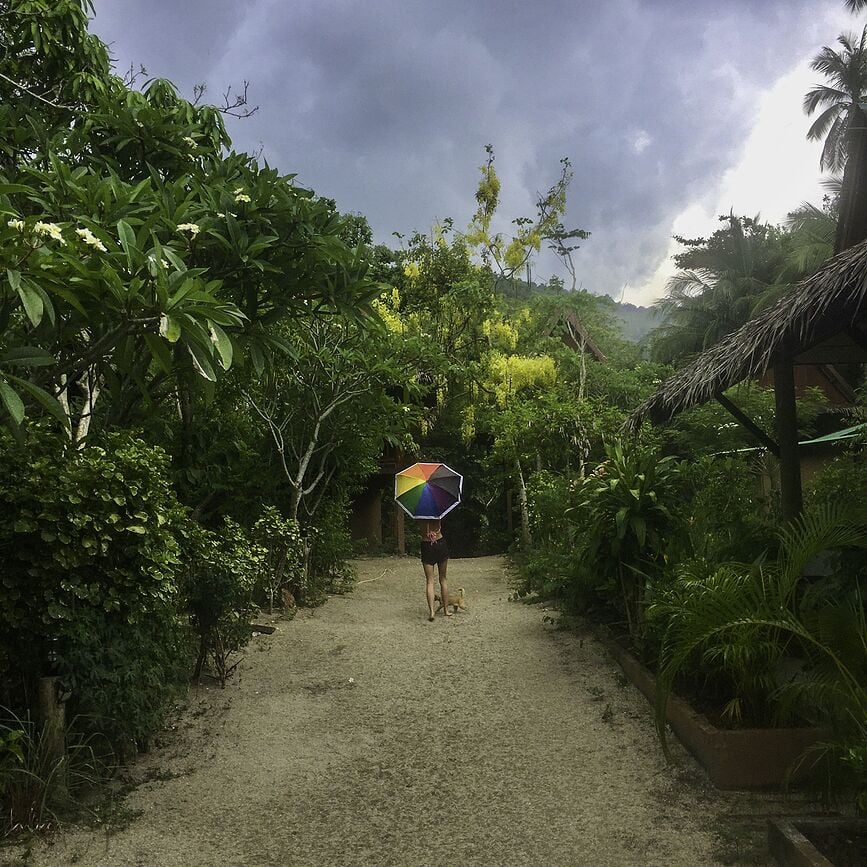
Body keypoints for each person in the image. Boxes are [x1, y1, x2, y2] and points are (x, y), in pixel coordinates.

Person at [418, 518, 450, 621]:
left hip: (426, 545)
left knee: (430, 581)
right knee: (443, 579)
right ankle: (446, 610)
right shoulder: (438, 512)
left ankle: (432, 611)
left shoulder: (419, 514)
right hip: (440, 543)